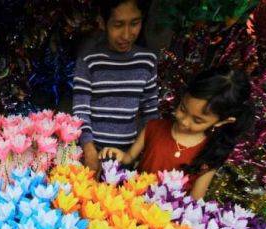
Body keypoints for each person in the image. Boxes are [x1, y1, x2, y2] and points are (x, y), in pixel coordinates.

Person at [99, 66, 254, 199]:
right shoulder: (154, 127)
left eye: (197, 120)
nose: (184, 121)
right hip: (132, 202)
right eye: (183, 109)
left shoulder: (211, 153)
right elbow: (129, 157)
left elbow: (194, 200)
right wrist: (119, 156)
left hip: (166, 220)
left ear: (222, 121)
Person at [73, 0, 159, 174]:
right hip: (91, 155)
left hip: (127, 156)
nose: (127, 35)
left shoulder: (147, 61)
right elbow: (81, 110)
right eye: (118, 25)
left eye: (134, 23)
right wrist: (89, 152)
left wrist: (136, 154)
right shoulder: (89, 61)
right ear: (102, 22)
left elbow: (150, 113)